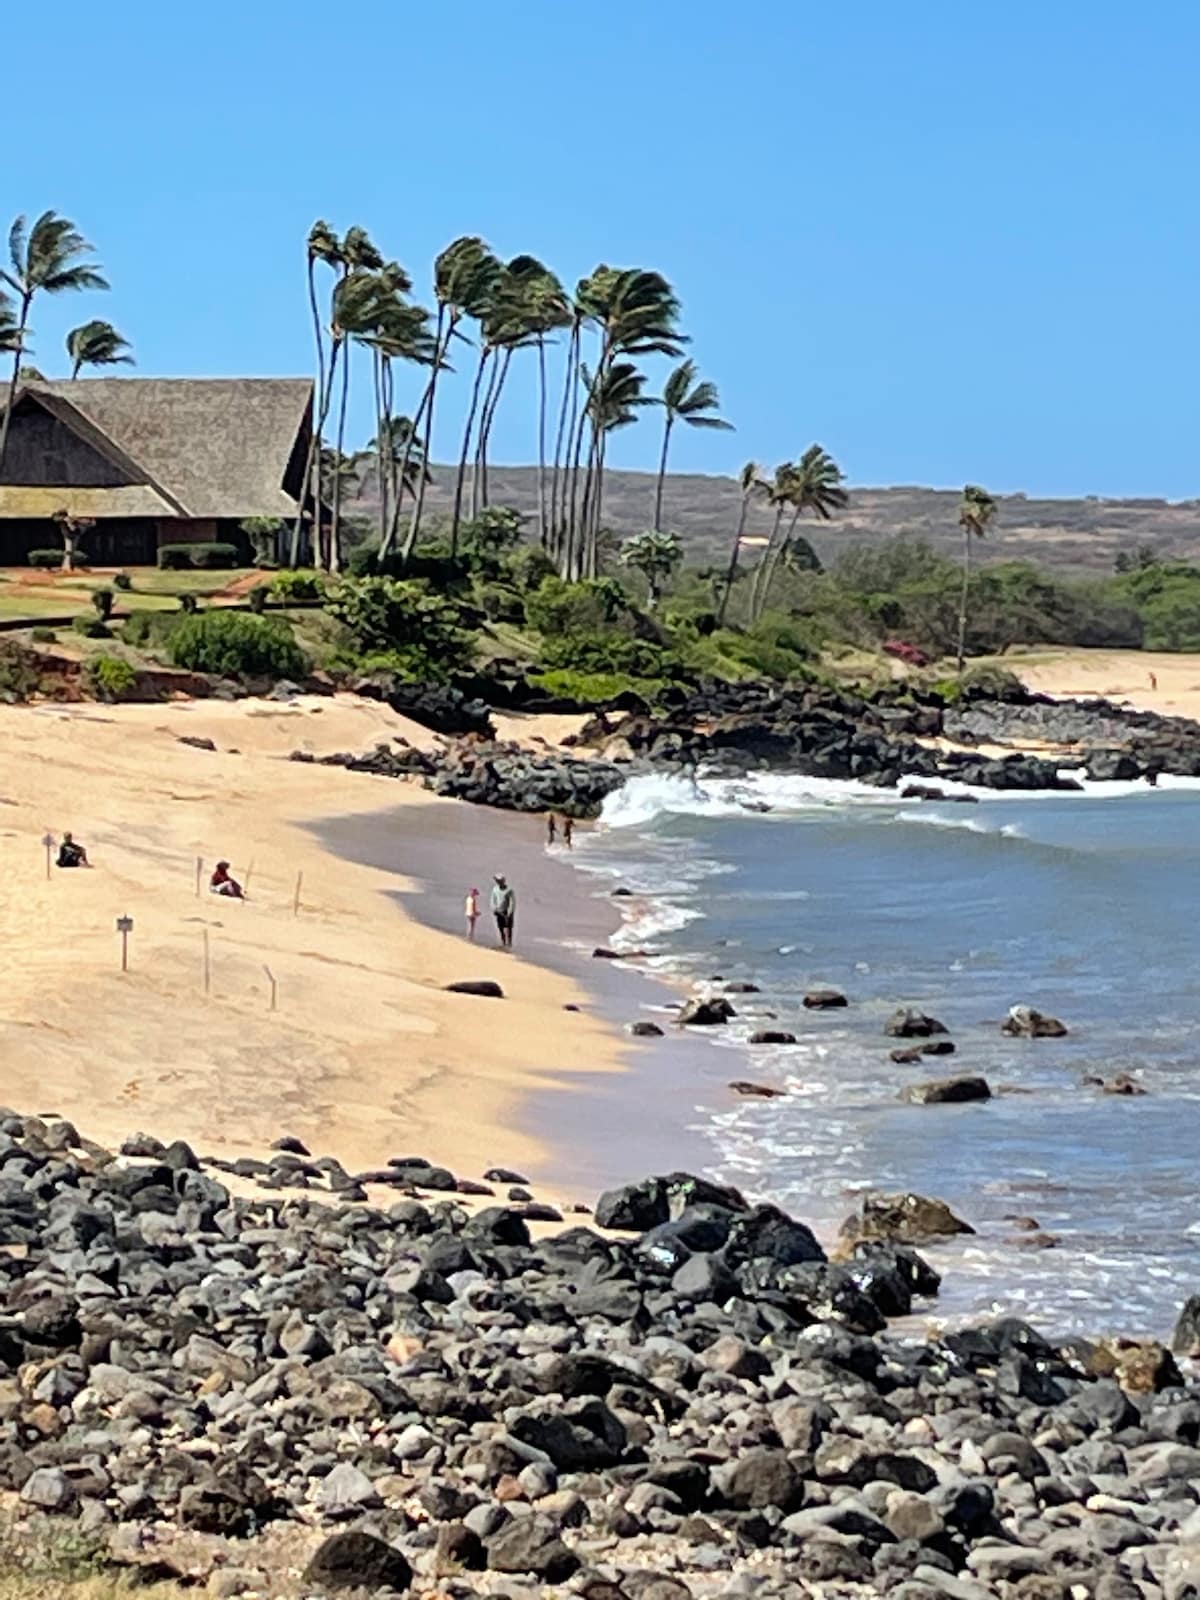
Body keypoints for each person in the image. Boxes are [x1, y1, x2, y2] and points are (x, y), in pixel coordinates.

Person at [490, 873, 516, 949]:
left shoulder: (509, 890)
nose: (498, 882)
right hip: (498, 911)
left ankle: (509, 944)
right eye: (497, 880)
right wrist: (494, 908)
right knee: (500, 928)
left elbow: (512, 903)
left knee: (508, 928)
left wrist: (509, 912)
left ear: (503, 881)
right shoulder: (495, 889)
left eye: (500, 880)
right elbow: (492, 900)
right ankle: (503, 943)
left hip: (507, 912)